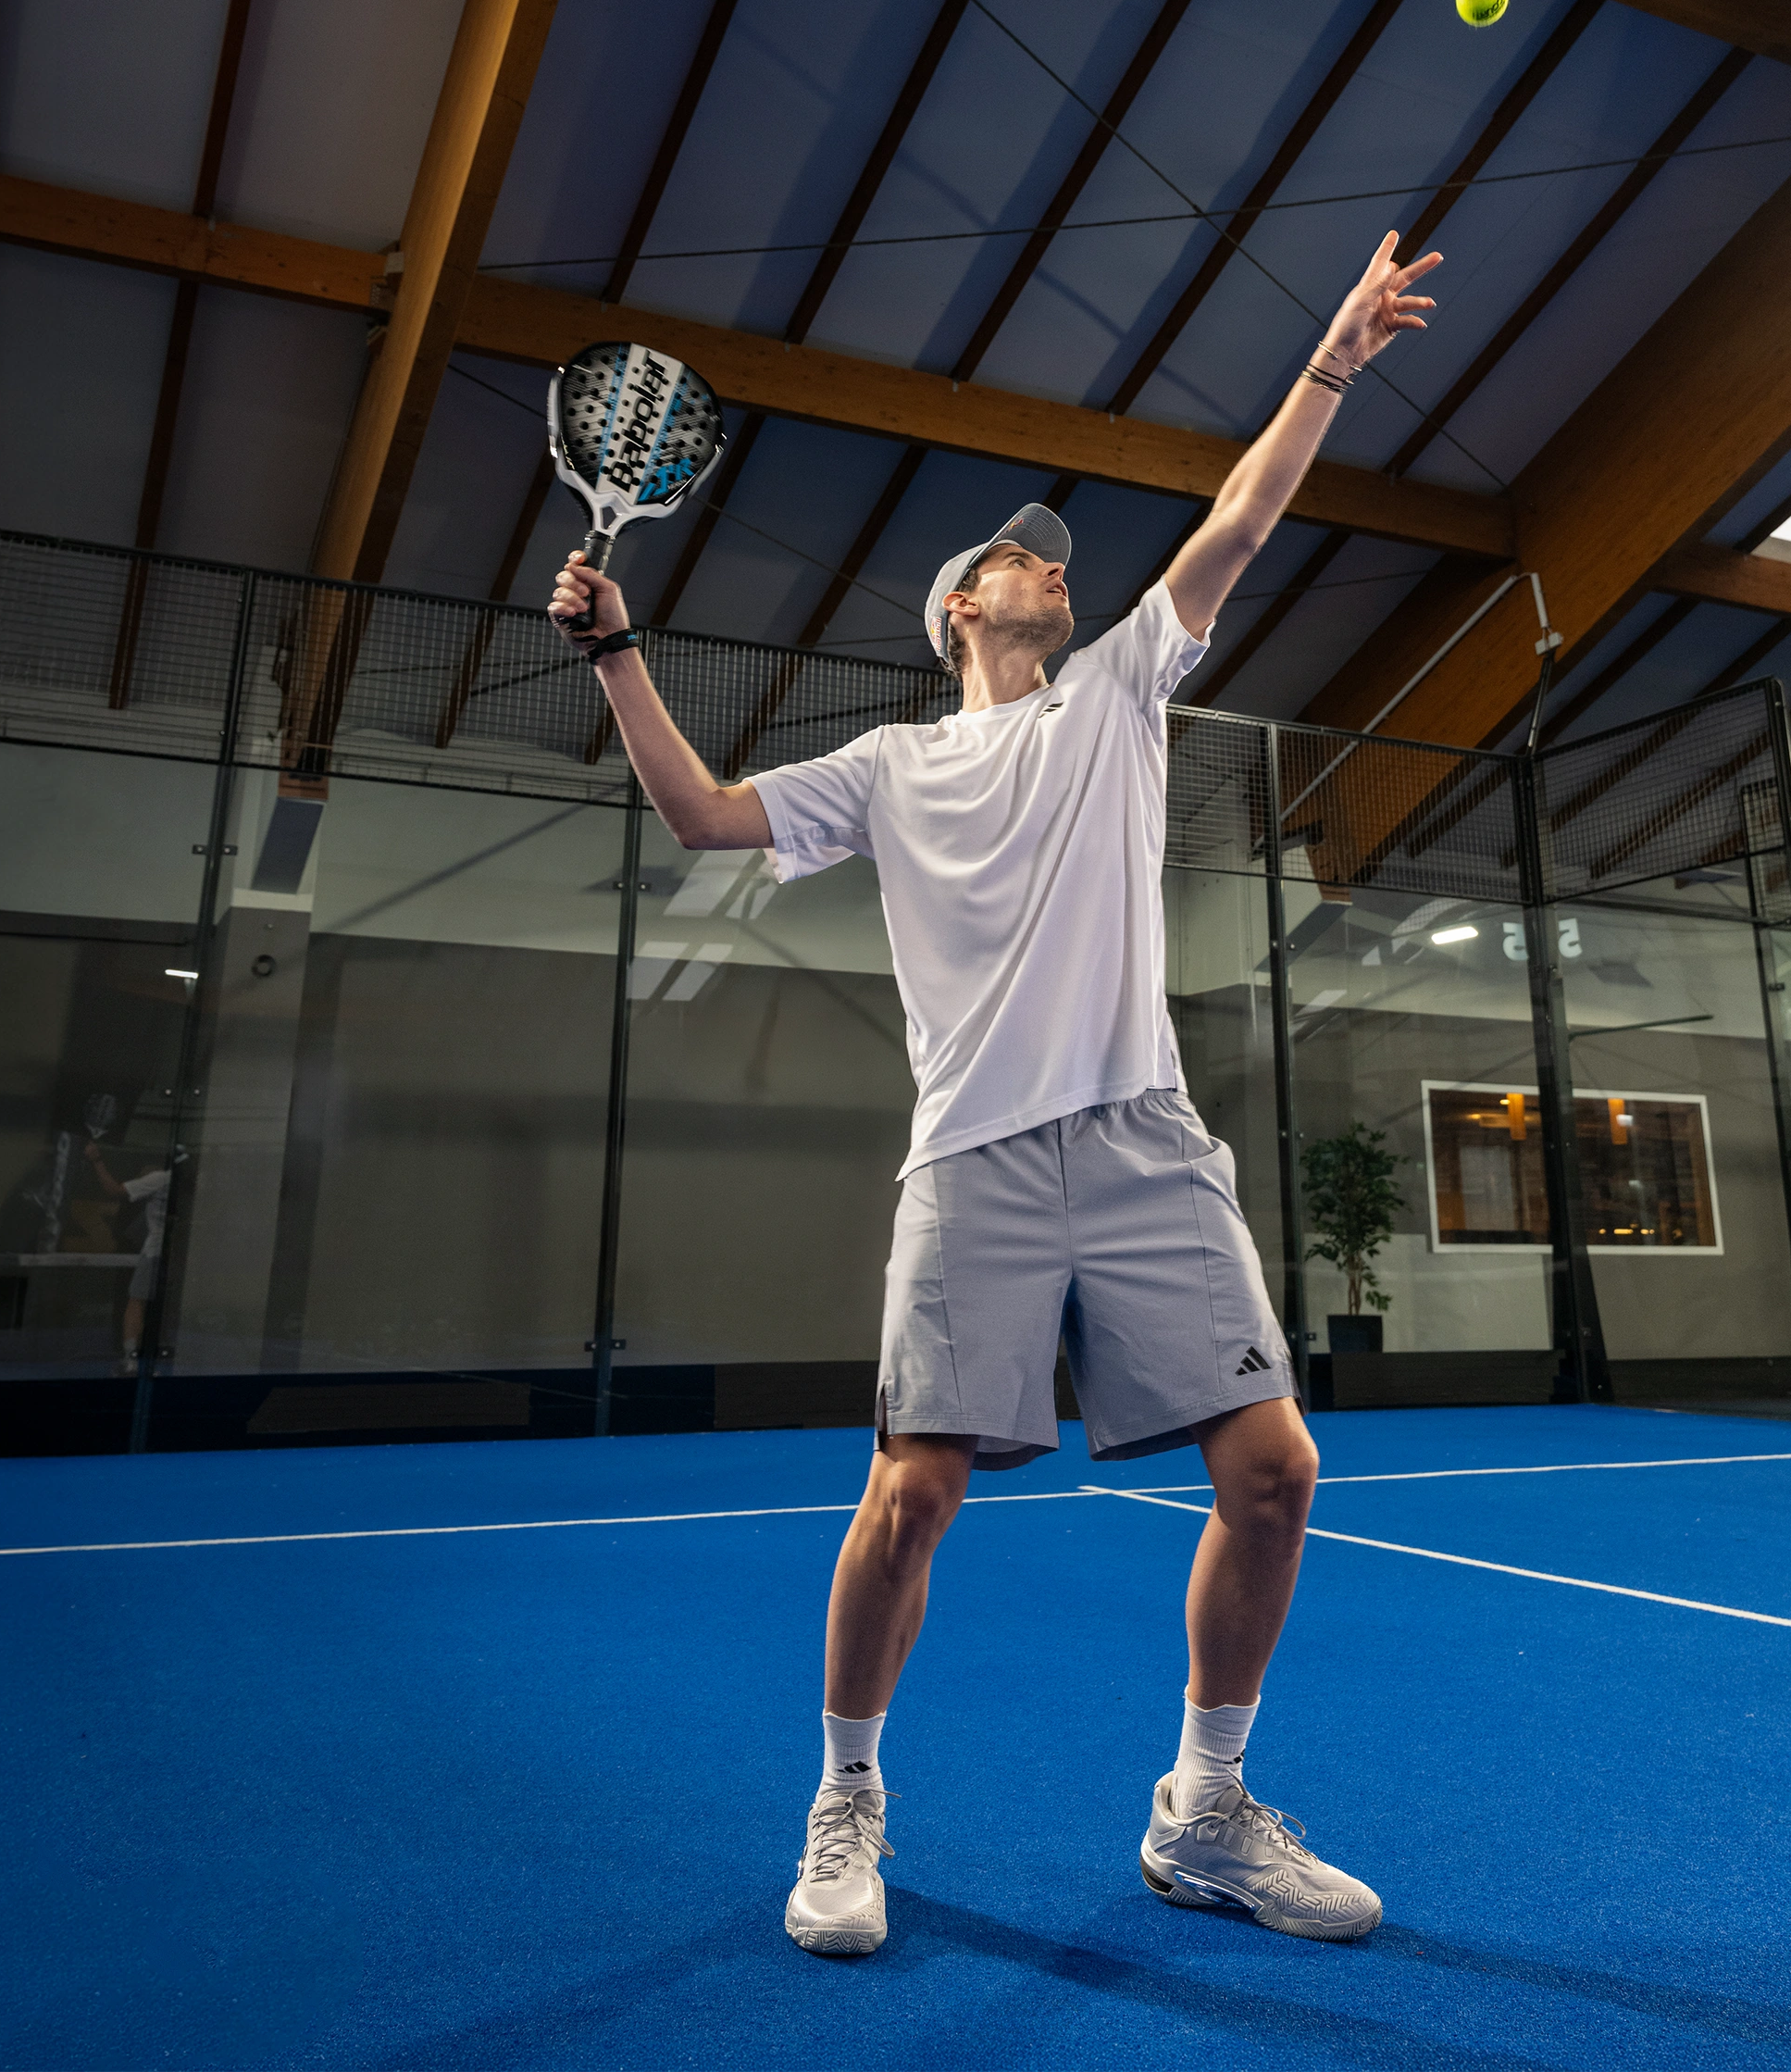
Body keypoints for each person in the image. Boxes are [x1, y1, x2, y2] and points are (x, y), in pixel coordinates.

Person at [548, 232, 1441, 1955]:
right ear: (964, 603)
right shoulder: (890, 767)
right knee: (911, 1493)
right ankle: (848, 1801)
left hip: (1144, 1141)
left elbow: (1240, 526)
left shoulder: (1119, 695)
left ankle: (1204, 1810)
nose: (1054, 567)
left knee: (1276, 1472)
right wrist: (617, 656)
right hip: (971, 1158)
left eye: (1060, 559)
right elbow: (708, 819)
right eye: (1024, 557)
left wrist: (1328, 363)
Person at [85, 1142, 170, 1374]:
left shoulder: (160, 1179)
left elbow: (113, 1189)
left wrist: (96, 1160)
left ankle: (132, 1361)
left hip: (156, 1253)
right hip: (179, 1256)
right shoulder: (189, 1183)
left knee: (136, 1303)